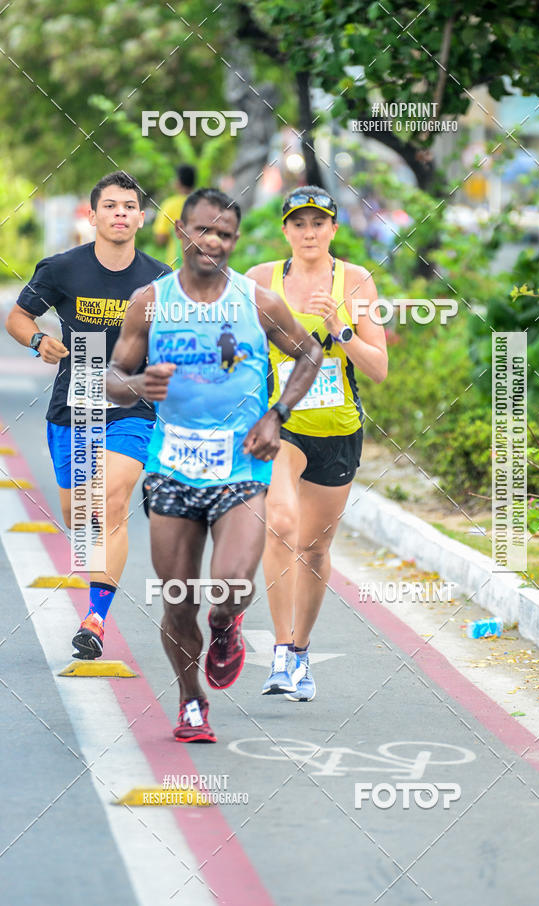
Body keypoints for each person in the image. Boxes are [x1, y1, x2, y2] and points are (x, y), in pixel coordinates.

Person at [105, 187, 322, 742]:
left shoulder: (258, 301)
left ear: (235, 241)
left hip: (240, 468)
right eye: (204, 230)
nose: (213, 242)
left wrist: (277, 415)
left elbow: (310, 353)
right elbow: (111, 378)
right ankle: (191, 700)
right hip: (173, 468)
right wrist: (136, 384)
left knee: (227, 586)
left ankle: (225, 627)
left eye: (225, 234)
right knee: (178, 599)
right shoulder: (149, 301)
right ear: (182, 232)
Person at [6, 171, 170, 659]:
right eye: (111, 206)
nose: (120, 213)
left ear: (141, 218)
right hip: (72, 406)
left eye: (129, 206)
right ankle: (95, 583)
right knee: (82, 519)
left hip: (130, 405)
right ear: (93, 214)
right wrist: (38, 340)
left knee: (110, 503)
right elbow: (18, 316)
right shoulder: (61, 269)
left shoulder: (161, 278)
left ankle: (95, 620)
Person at [246, 186, 388, 701]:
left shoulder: (356, 282)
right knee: (280, 525)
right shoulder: (261, 280)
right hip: (282, 424)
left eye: (318, 223)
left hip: (339, 430)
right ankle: (281, 652)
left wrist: (339, 328)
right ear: (285, 230)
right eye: (299, 224)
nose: (309, 233)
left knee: (314, 546)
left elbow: (379, 368)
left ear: (333, 229)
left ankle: (301, 652)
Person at [153, 164, 196, 269]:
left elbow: (160, 238)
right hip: (198, 266)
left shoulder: (169, 205)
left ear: (178, 182)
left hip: (175, 266)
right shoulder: (201, 203)